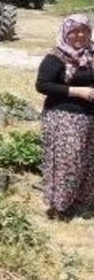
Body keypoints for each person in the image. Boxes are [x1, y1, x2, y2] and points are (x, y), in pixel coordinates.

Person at [35, 14, 94, 220]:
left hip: (89, 117)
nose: (79, 35)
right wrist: (76, 91)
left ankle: (81, 204)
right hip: (63, 115)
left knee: (88, 161)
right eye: (74, 31)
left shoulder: (92, 55)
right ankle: (59, 207)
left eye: (84, 30)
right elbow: (42, 85)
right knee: (68, 161)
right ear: (65, 33)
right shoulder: (56, 57)